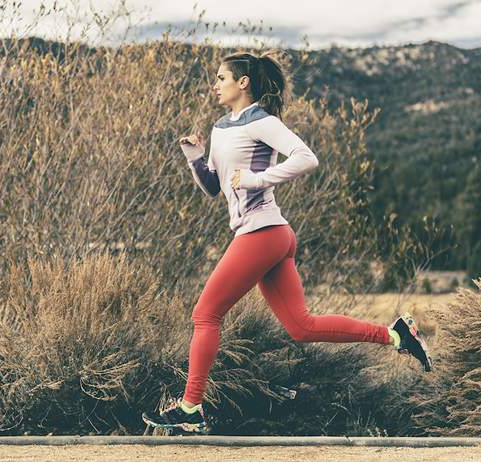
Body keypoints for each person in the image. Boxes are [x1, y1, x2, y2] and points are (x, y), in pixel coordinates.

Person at [141, 51, 432, 434]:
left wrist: (258, 179)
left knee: (205, 314)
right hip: (268, 235)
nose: (214, 84)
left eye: (221, 77)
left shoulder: (262, 121)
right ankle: (396, 335)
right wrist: (194, 156)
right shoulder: (220, 128)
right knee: (302, 327)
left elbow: (306, 158)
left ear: (243, 82)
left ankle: (191, 407)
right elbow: (214, 187)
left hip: (262, 232)